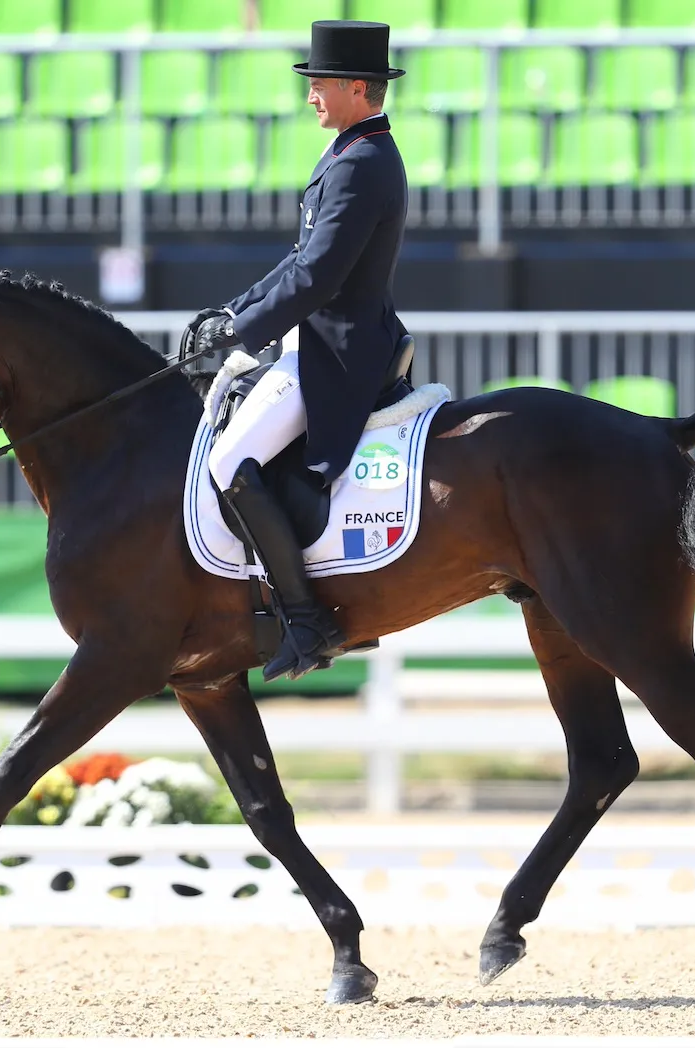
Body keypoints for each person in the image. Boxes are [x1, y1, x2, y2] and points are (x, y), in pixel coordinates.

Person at [186, 20, 409, 683]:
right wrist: (234, 314)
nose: (311, 94)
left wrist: (242, 330)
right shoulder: (347, 151)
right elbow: (298, 262)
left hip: (339, 352)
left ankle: (306, 620)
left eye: (321, 83)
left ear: (358, 87)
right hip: (317, 338)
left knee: (229, 461)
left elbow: (317, 278)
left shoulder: (364, 163)